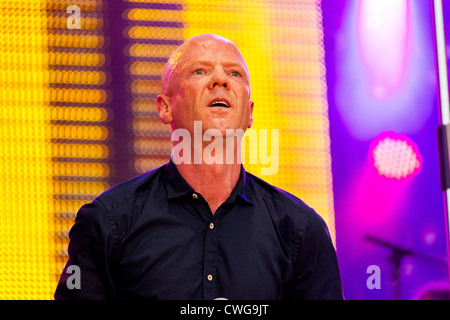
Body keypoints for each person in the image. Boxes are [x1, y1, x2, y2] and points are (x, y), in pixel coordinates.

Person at [54, 34, 343, 300]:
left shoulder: (302, 231)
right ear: (165, 107)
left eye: (234, 73)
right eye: (200, 71)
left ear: (250, 113)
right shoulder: (108, 222)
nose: (221, 80)